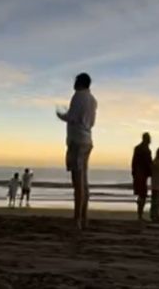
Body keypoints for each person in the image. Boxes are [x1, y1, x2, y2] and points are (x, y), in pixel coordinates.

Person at [56, 72, 97, 230]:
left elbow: (72, 117)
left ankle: (77, 220)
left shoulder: (78, 96)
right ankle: (84, 217)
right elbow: (90, 121)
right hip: (87, 140)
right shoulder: (93, 100)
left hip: (77, 142)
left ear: (80, 83)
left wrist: (62, 115)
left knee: (78, 183)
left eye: (75, 81)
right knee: (84, 181)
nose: (73, 83)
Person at [131, 132, 153, 221]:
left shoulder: (138, 148)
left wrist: (133, 172)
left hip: (138, 173)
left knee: (141, 195)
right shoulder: (146, 150)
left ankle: (139, 214)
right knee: (142, 195)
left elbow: (133, 162)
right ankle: (140, 214)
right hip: (142, 174)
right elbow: (149, 163)